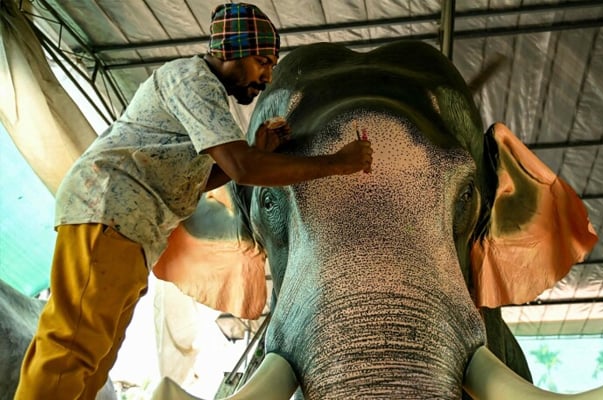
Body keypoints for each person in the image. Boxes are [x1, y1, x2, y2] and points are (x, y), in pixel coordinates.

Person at [14, 3, 372, 399]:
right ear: (228, 50)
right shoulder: (193, 79)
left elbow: (200, 177)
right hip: (108, 209)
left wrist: (254, 150)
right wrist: (338, 163)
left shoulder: (207, 96)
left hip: (134, 228)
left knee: (98, 353)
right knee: (72, 345)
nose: (267, 77)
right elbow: (241, 169)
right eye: (261, 60)